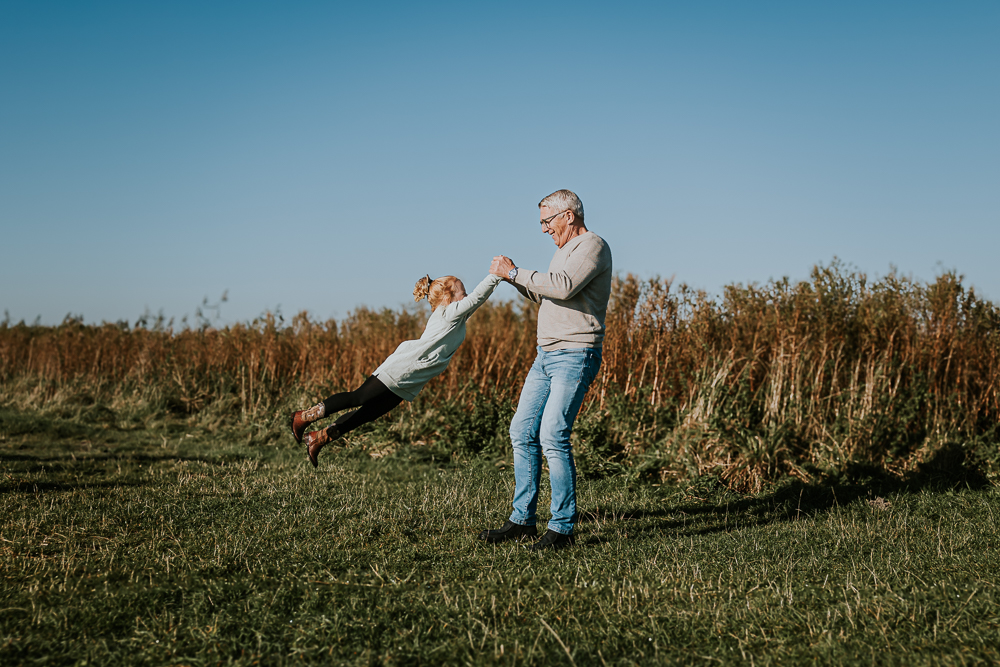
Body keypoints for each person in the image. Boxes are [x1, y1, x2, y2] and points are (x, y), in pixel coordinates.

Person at [479, 189, 612, 551]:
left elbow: (564, 287)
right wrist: (514, 279)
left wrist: (518, 271)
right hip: (545, 355)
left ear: (568, 215)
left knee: (553, 435)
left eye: (546, 221)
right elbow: (547, 293)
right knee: (521, 430)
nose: (543, 229)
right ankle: (522, 520)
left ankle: (563, 528)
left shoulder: (593, 246)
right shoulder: (561, 252)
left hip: (575, 353)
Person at [290, 272, 501, 467]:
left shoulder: (456, 319)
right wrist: (496, 275)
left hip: (412, 379)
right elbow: (476, 299)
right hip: (402, 369)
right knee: (359, 397)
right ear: (448, 296)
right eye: (463, 293)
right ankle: (303, 417)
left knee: (369, 414)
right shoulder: (446, 313)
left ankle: (318, 438)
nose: (466, 297)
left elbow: (473, 304)